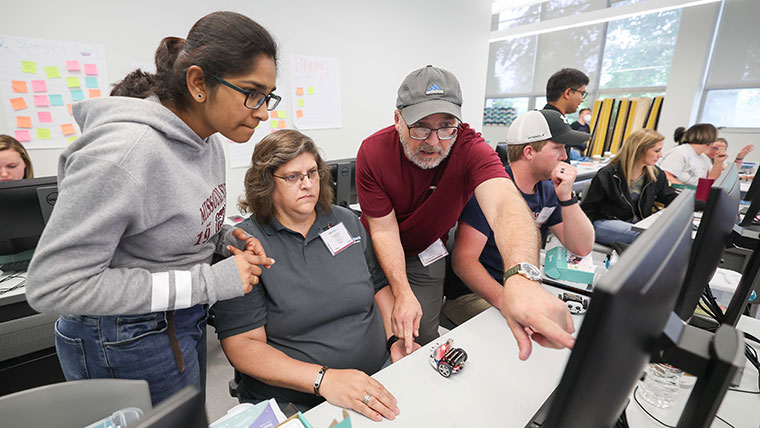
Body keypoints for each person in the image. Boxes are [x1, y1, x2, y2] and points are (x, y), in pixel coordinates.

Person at [26, 11, 278, 405]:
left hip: (180, 318)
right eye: (253, 93)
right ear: (198, 83)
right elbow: (54, 286)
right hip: (122, 336)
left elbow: (171, 219)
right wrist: (210, 283)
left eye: (268, 96)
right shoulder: (125, 154)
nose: (263, 112)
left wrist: (224, 236)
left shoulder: (207, 139)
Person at [357, 65, 574, 360]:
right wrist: (402, 291)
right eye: (420, 126)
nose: (434, 141)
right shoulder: (373, 152)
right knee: (374, 332)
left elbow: (506, 205)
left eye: (446, 126)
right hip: (377, 248)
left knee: (422, 336)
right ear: (398, 120)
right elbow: (384, 229)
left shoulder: (470, 148)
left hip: (427, 251)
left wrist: (521, 277)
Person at [213, 130, 413, 421]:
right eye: (292, 177)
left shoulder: (345, 222)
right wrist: (324, 379)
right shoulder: (248, 245)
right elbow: (243, 346)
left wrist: (395, 340)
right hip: (300, 399)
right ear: (266, 184)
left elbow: (377, 284)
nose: (307, 184)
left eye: (312, 173)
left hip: (377, 373)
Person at [443, 110, 595, 325]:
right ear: (529, 152)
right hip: (474, 296)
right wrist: (507, 301)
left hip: (520, 288)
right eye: (557, 148)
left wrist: (566, 198)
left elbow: (581, 247)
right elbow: (464, 261)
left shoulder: (547, 191)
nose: (565, 156)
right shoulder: (491, 190)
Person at [581, 128, 678, 245]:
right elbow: (589, 208)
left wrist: (699, 204)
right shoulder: (608, 174)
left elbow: (668, 196)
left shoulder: (656, 174)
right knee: (648, 237)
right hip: (604, 221)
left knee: (665, 234)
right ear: (639, 150)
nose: (660, 155)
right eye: (657, 151)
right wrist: (584, 236)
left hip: (636, 224)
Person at [543, 68, 590, 157]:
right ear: (568, 93)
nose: (582, 99)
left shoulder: (554, 119)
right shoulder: (553, 123)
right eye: (582, 94)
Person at [659, 124, 725, 186]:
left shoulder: (704, 158)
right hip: (677, 195)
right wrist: (685, 190)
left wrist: (718, 162)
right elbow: (666, 175)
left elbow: (710, 181)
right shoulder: (680, 152)